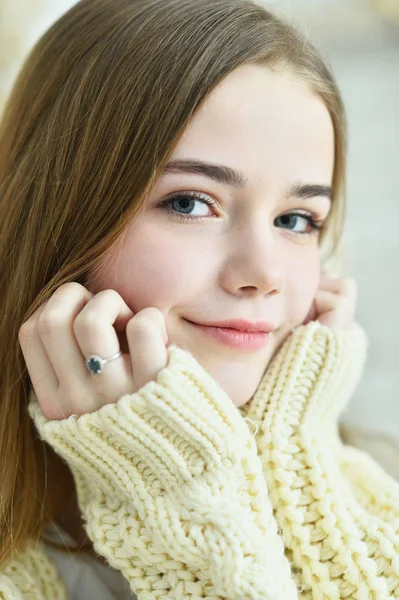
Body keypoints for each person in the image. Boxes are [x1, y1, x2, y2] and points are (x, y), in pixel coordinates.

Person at [0, 0, 398, 598]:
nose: (263, 274)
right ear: (61, 216)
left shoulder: (380, 488)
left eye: (296, 219)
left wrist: (292, 467)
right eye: (189, 203)